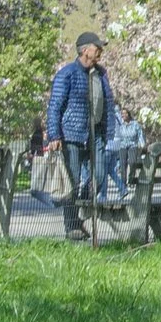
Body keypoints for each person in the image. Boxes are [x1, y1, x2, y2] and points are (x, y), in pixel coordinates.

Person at [45, 32, 117, 241]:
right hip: (72, 135)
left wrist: (108, 129)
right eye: (97, 48)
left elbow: (108, 103)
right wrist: (54, 134)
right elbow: (55, 106)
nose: (100, 52)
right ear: (85, 50)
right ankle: (72, 225)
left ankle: (81, 212)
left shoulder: (101, 74)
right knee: (73, 181)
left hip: (96, 133)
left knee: (100, 174)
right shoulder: (66, 74)